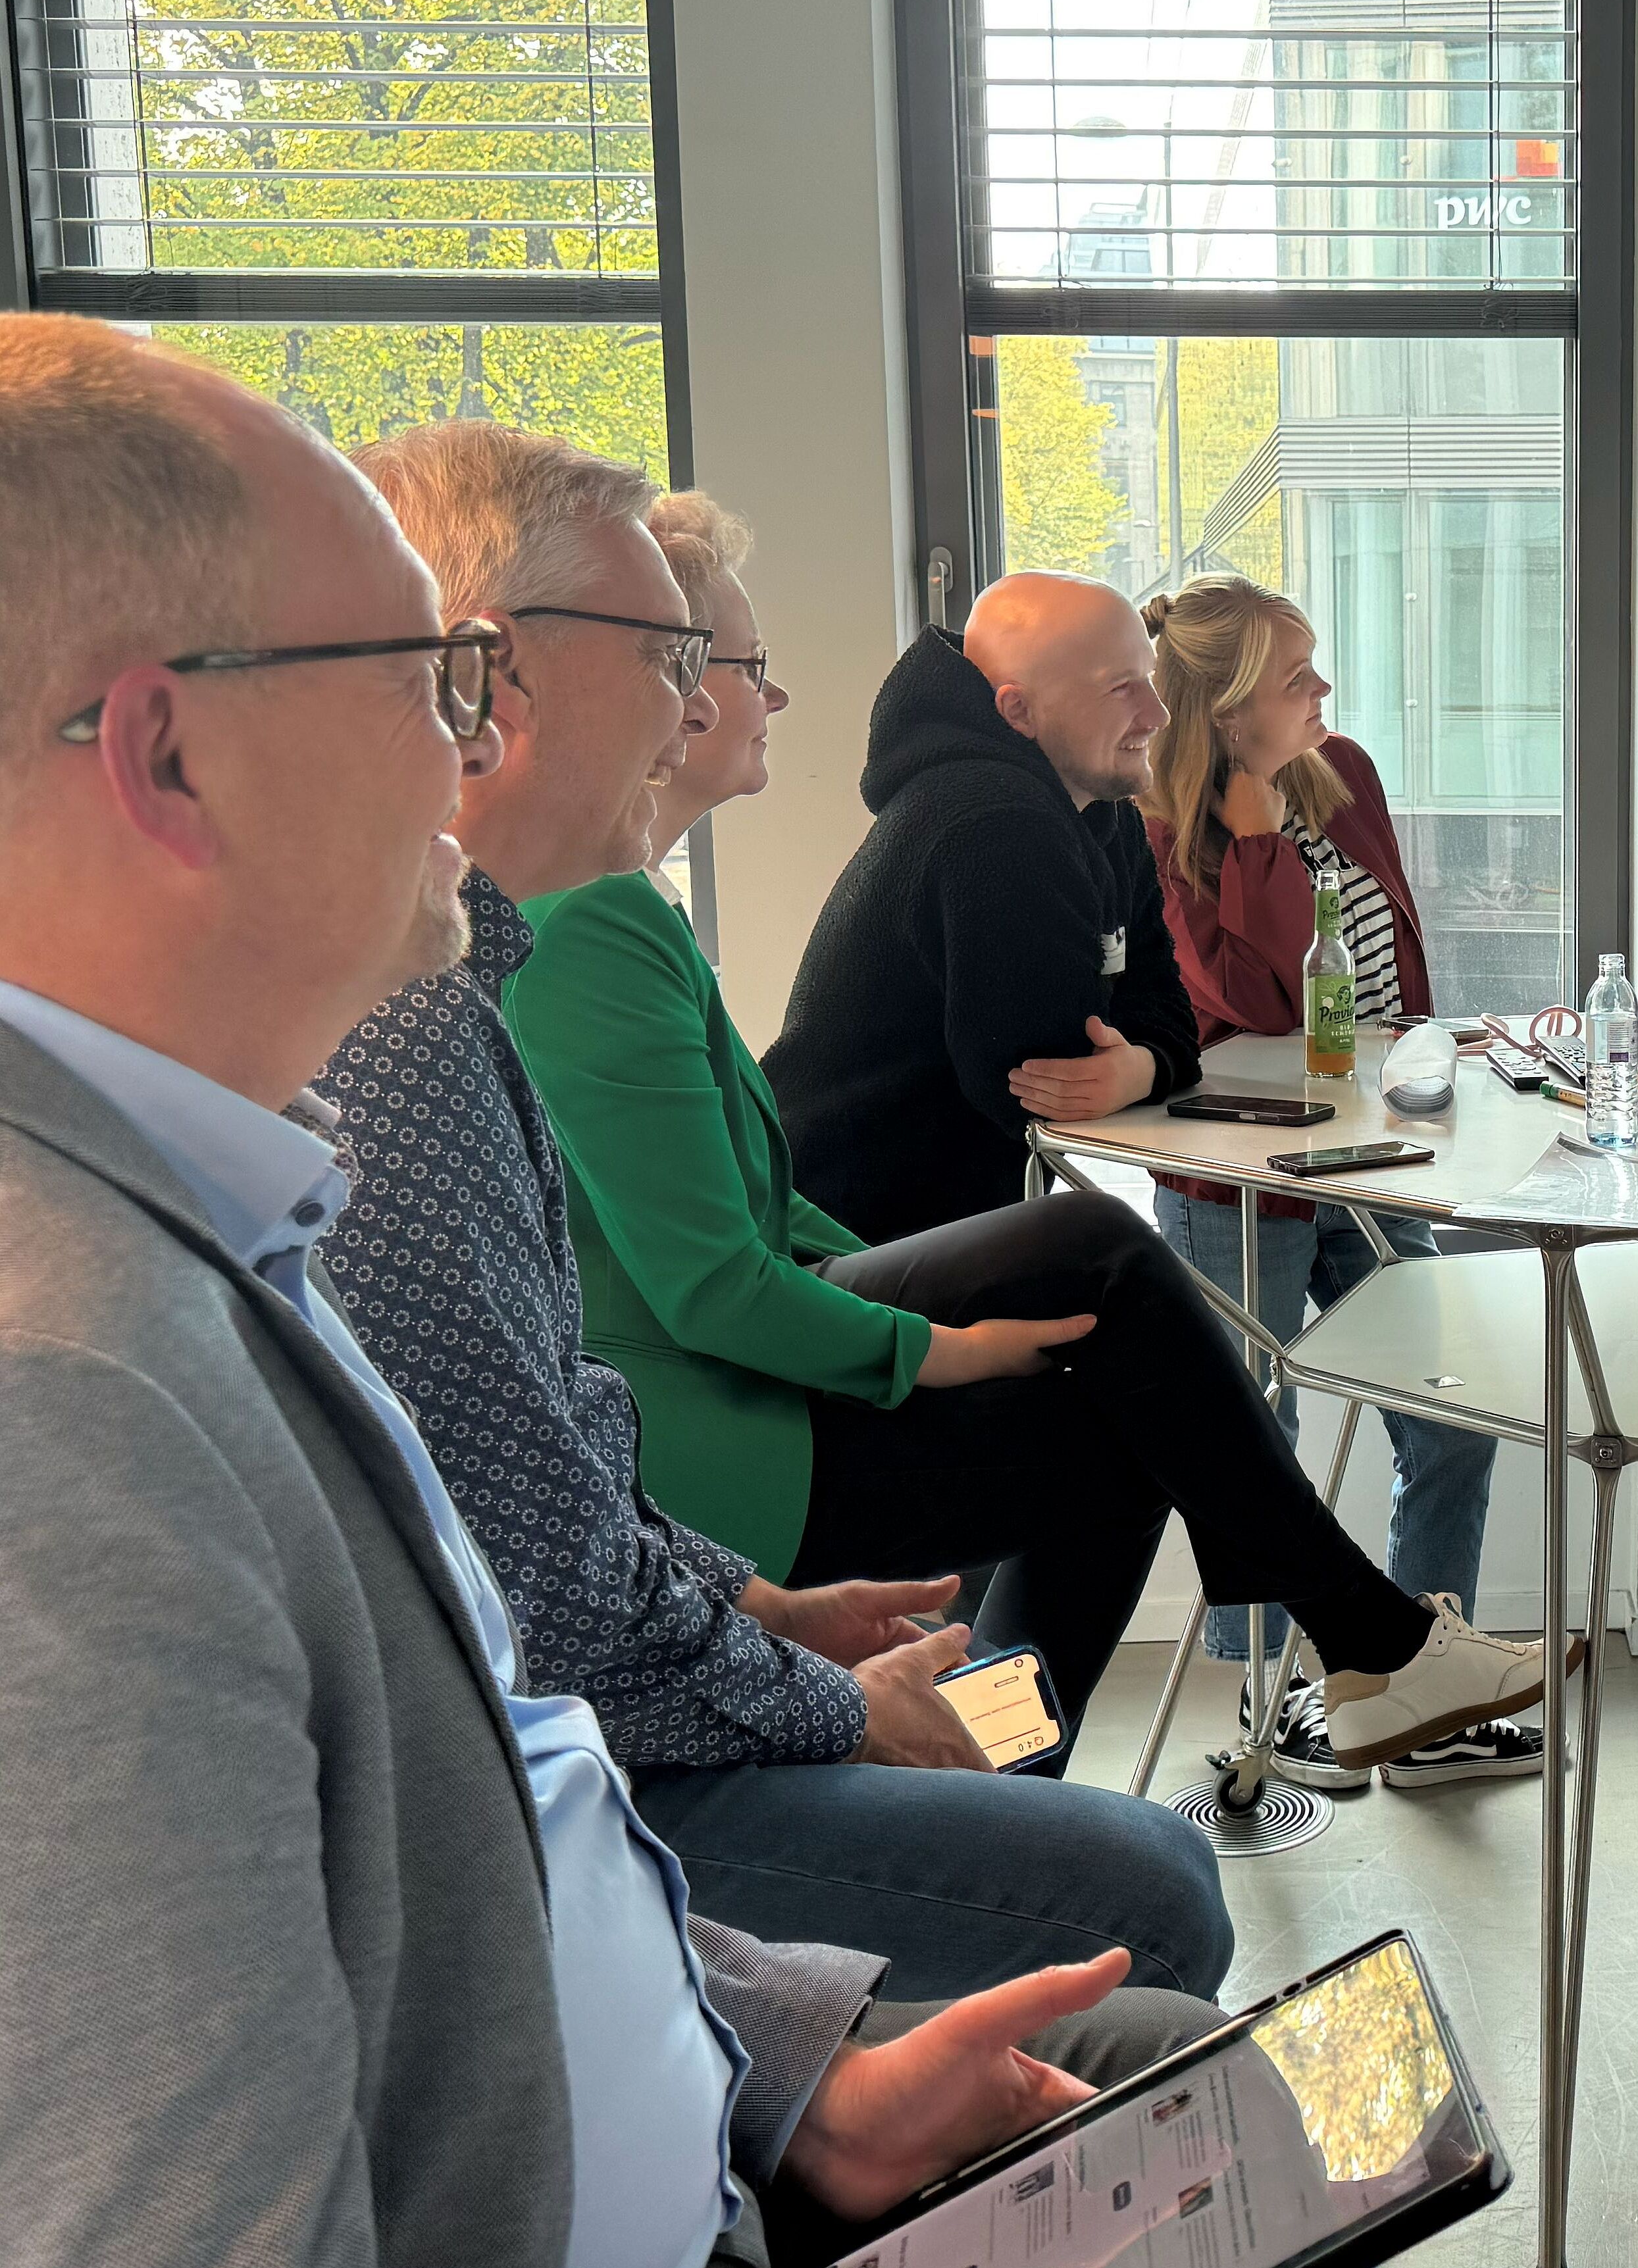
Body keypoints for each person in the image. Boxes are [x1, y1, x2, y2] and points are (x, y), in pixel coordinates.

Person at [0, 312, 1216, 2268]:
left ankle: (1310, 1642)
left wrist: (778, 2075)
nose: (461, 757)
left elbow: (525, 1645)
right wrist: (830, 1623)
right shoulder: (74, 1402)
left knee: (1105, 1375)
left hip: (702, 1920)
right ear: (163, 756)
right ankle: (1339, 1641)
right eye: (424, 685)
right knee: (1141, 1860)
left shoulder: (231, 1171)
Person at [313, 427, 1231, 2001]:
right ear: (492, 681)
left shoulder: (494, 976)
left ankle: (1039, 1756)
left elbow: (553, 1453)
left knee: (1100, 1369)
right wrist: (823, 1683)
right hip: (707, 1491)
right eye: (681, 654)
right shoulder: (418, 1028)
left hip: (685, 1531)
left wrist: (757, 1607)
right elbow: (687, 1331)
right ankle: (1237, 1685)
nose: (699, 704)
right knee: (1150, 1865)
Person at [500, 508, 1569, 1775]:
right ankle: (1342, 1654)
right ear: (667, 692)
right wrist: (938, 1343)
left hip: (822, 1287)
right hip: (731, 1425)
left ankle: (1031, 1765)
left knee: (1107, 1369)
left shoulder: (644, 902)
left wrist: (1139, 1056)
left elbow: (1154, 1017)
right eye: (742, 665)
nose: (775, 690)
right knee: (1102, 1294)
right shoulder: (612, 916)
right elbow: (737, 1268)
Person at [1137, 575, 1527, 1799]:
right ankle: (1269, 1715)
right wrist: (1249, 816)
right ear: (1225, 705)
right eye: (1296, 677)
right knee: (1256, 1444)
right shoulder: (1161, 822)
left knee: (1452, 1411)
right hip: (1242, 1175)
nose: (1324, 693)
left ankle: (1418, 1686)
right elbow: (1249, 1002)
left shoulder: (1341, 769)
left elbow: (1391, 965)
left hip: (1381, 1157)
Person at [766, 572, 1206, 1244]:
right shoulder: (995, 822)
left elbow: (1164, 1007)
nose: (1157, 714)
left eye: (1148, 679)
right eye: (1120, 688)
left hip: (932, 1223)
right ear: (1017, 712)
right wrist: (1143, 1056)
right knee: (1122, 1276)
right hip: (844, 1241)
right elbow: (1038, 1078)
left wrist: (1142, 1066)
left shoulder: (1103, 816)